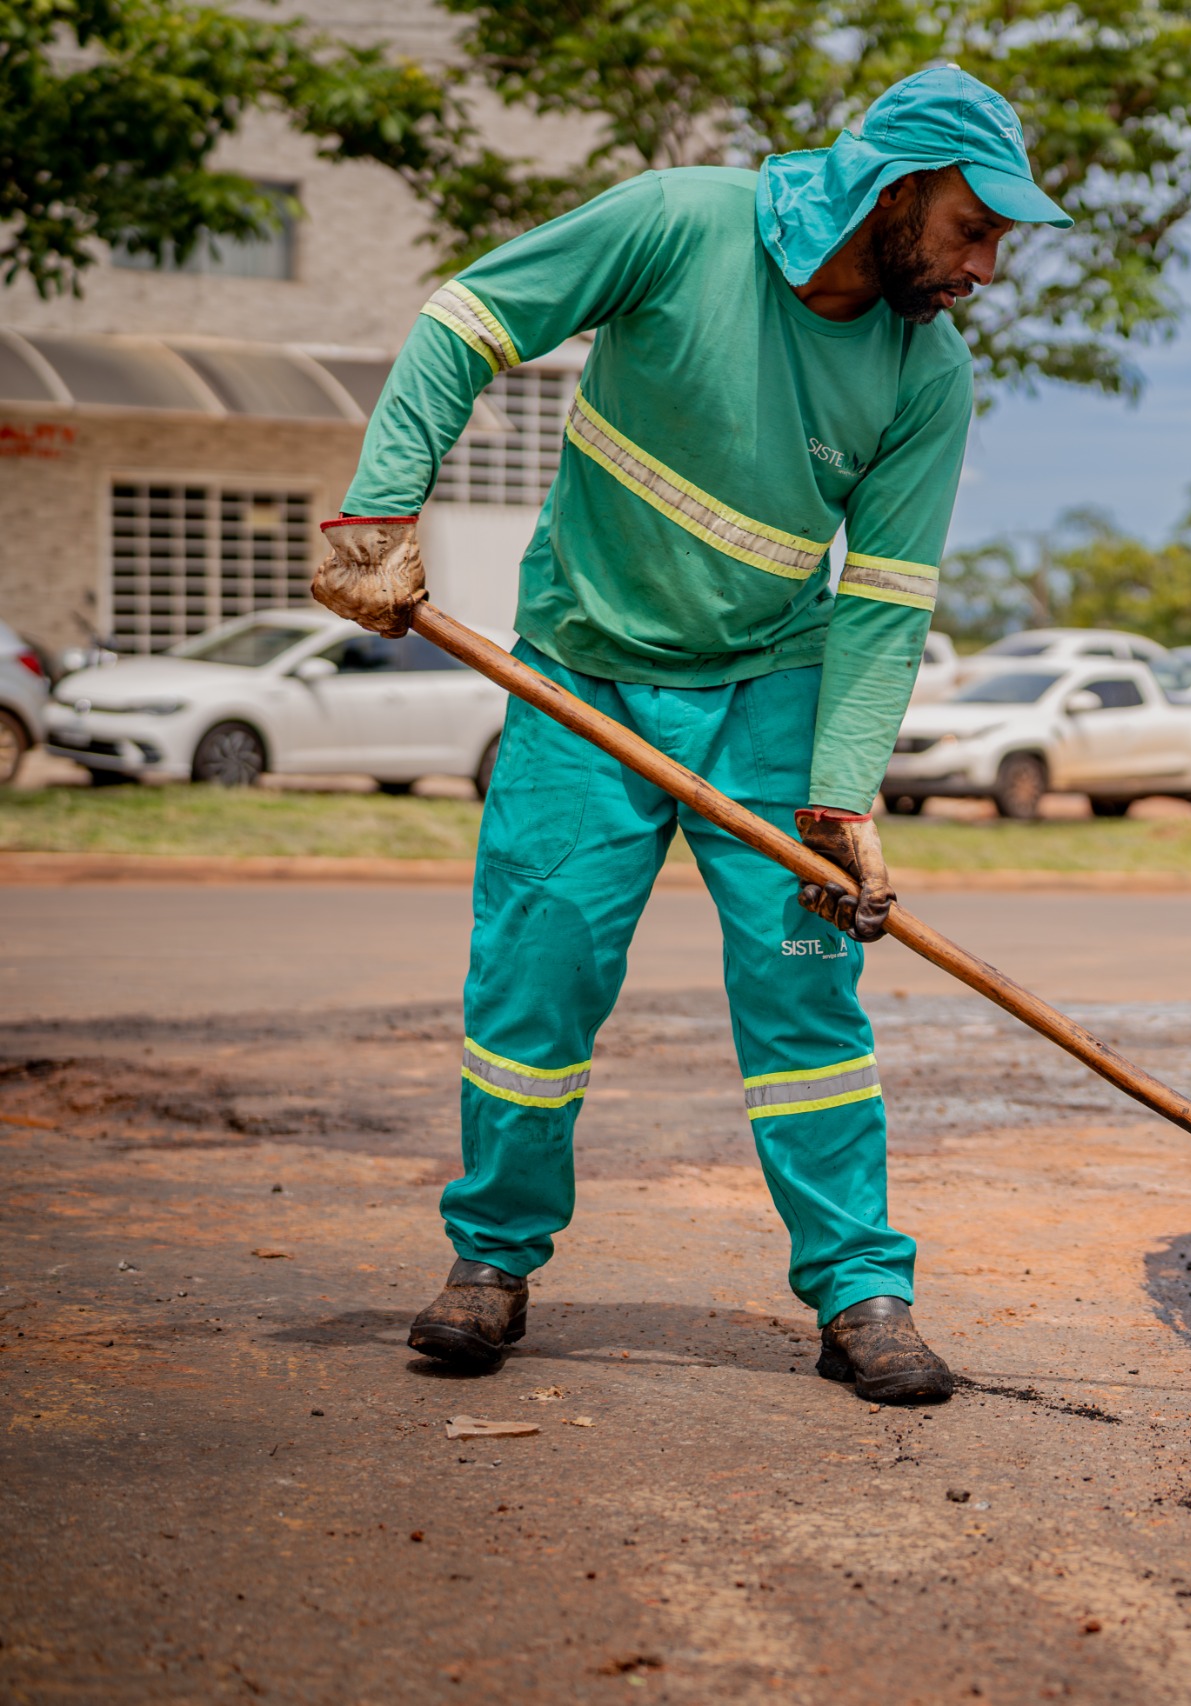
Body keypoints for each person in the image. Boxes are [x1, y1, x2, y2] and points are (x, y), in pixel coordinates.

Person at [311, 65, 1068, 1402]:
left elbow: (886, 599)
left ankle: (862, 1291)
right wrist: (381, 510)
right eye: (974, 228)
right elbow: (465, 320)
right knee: (536, 979)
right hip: (582, 677)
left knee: (805, 991)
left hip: (774, 690)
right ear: (895, 191)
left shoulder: (927, 372)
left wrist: (842, 797)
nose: (985, 268)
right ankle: (491, 1262)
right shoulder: (678, 221)